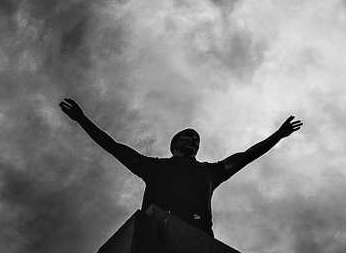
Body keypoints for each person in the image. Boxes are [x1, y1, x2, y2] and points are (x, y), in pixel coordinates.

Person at [58, 97, 302, 236]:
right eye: (188, 136)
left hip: (198, 236)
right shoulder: (153, 167)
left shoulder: (211, 171)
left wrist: (278, 135)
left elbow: (248, 155)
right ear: (174, 144)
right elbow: (113, 146)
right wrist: (82, 119)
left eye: (197, 139)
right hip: (155, 232)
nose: (194, 140)